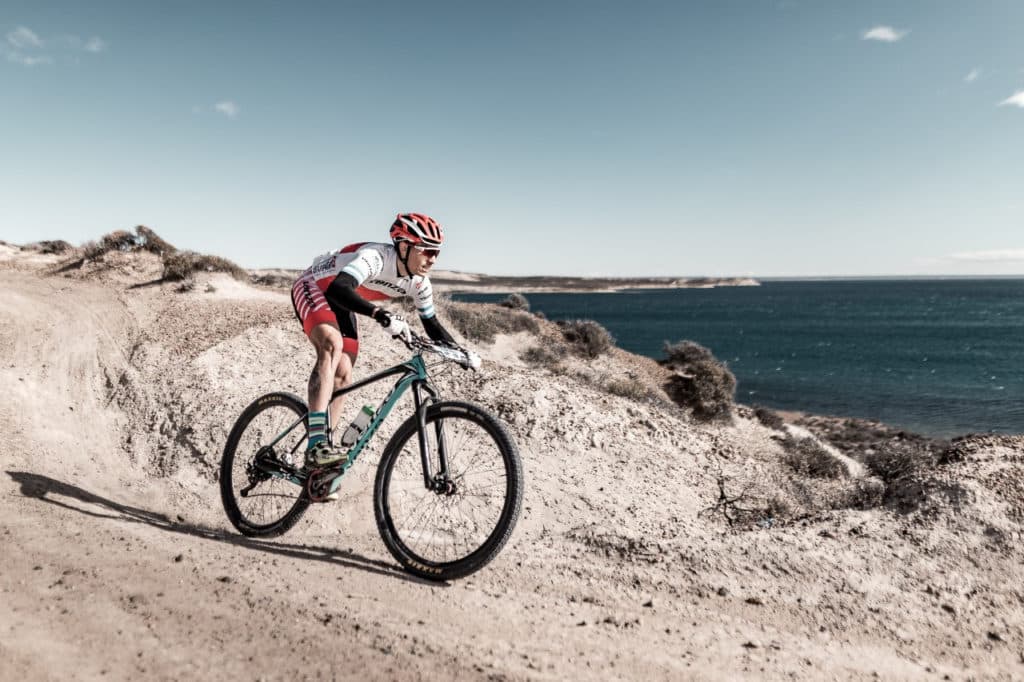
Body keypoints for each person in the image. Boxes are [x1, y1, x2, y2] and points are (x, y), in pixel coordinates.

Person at [290, 212, 474, 472]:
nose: (432, 259)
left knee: (344, 372)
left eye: (437, 253)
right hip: (316, 287)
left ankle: (323, 459)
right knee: (331, 345)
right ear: (403, 246)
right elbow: (340, 287)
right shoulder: (376, 256)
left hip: (342, 299)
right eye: (426, 251)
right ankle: (316, 445)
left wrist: (461, 353)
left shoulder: (420, 283)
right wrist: (380, 314)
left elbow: (432, 326)